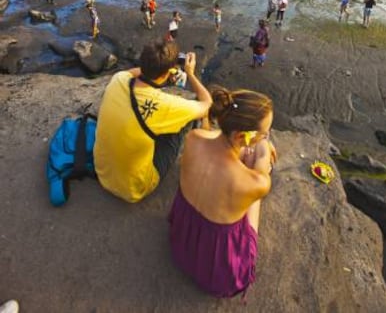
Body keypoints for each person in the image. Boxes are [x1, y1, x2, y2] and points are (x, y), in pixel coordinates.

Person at [169, 85, 277, 298]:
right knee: (254, 196)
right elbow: (263, 172)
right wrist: (262, 150)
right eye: (264, 133)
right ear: (240, 136)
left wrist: (244, 148)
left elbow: (215, 141)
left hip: (183, 238)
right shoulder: (254, 182)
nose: (264, 136)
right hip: (217, 265)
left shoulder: (194, 137)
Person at [94, 40, 212, 203]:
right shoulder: (166, 106)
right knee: (186, 118)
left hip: (103, 172)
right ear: (170, 71)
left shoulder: (118, 79)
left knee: (149, 126)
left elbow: (132, 73)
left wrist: (159, 70)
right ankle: (205, 158)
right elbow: (207, 105)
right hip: (134, 189)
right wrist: (190, 73)